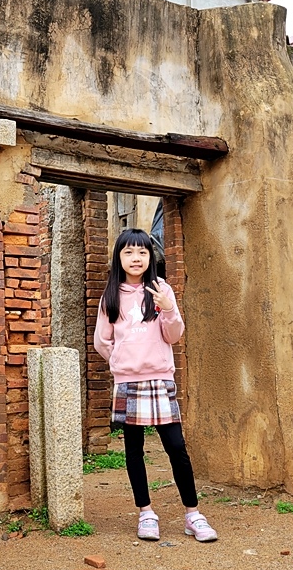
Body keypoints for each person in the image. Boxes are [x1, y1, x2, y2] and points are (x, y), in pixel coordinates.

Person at [93, 228, 217, 543]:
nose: (136, 258)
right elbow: (101, 341)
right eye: (129, 252)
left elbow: (174, 335)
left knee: (176, 447)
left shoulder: (161, 289)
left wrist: (169, 307)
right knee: (133, 450)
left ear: (151, 257)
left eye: (142, 252)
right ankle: (146, 512)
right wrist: (120, 361)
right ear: (119, 257)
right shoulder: (110, 296)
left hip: (160, 379)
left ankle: (193, 514)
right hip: (128, 381)